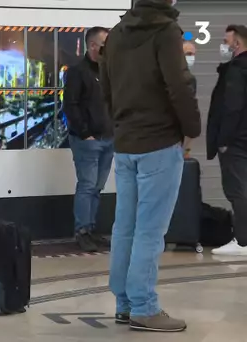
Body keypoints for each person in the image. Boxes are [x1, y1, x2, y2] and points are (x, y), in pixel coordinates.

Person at [100, 0, 201, 333]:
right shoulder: (165, 31)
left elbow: (107, 87)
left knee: (124, 227)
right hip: (159, 143)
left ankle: (124, 304)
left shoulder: (115, 33)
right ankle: (144, 306)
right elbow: (179, 84)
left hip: (126, 143)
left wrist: (121, 124)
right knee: (149, 230)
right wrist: (191, 129)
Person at [64, 26, 114, 253]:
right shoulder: (78, 71)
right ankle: (82, 231)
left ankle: (91, 229)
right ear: (93, 45)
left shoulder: (109, 70)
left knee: (97, 187)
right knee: (87, 186)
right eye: (105, 44)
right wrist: (85, 133)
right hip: (88, 141)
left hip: (109, 138)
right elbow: (71, 106)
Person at [208, 25, 247, 256]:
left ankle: (243, 241)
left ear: (237, 44)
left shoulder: (235, 70)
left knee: (237, 189)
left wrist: (223, 139)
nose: (224, 45)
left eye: (226, 41)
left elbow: (231, 107)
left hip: (236, 141)